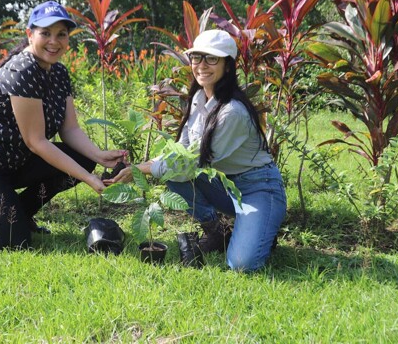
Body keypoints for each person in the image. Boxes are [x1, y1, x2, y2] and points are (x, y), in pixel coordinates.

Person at [0, 1, 125, 250]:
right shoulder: (23, 69)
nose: (54, 41)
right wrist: (89, 179)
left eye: (61, 34)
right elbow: (36, 141)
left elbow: (70, 130)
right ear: (30, 35)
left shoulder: (58, 73)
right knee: (10, 242)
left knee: (82, 159)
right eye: (45, 33)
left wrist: (100, 157)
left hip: (11, 160)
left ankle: (17, 213)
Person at [105, 30, 287, 271]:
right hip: (221, 183)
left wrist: (141, 169)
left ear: (228, 65)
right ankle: (218, 231)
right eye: (197, 58)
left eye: (212, 59)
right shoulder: (199, 97)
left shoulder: (233, 112)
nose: (202, 65)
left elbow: (191, 165)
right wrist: (140, 166)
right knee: (170, 173)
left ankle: (260, 230)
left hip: (257, 187)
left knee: (242, 264)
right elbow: (182, 150)